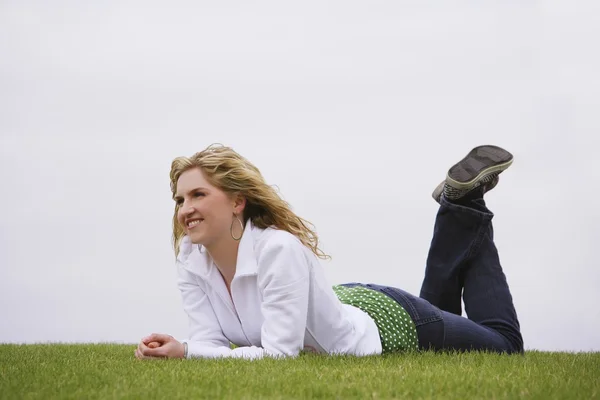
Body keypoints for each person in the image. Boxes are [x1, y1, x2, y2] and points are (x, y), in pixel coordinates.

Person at [135, 144, 524, 360]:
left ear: (238, 202)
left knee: (504, 345)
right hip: (343, 302)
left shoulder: (278, 249)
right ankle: (462, 204)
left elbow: (279, 357)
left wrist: (186, 352)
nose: (185, 209)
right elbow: (210, 344)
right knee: (447, 323)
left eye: (198, 194)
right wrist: (187, 350)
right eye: (180, 198)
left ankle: (465, 207)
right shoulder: (191, 258)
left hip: (390, 321)